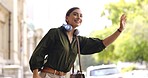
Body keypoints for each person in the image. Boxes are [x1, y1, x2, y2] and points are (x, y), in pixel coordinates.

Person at [29, 7, 126, 78]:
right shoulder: (55, 33)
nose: (78, 17)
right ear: (67, 18)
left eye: (81, 16)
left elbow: (101, 44)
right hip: (48, 75)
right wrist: (35, 74)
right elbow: (39, 52)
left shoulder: (78, 41)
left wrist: (120, 30)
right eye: (75, 14)